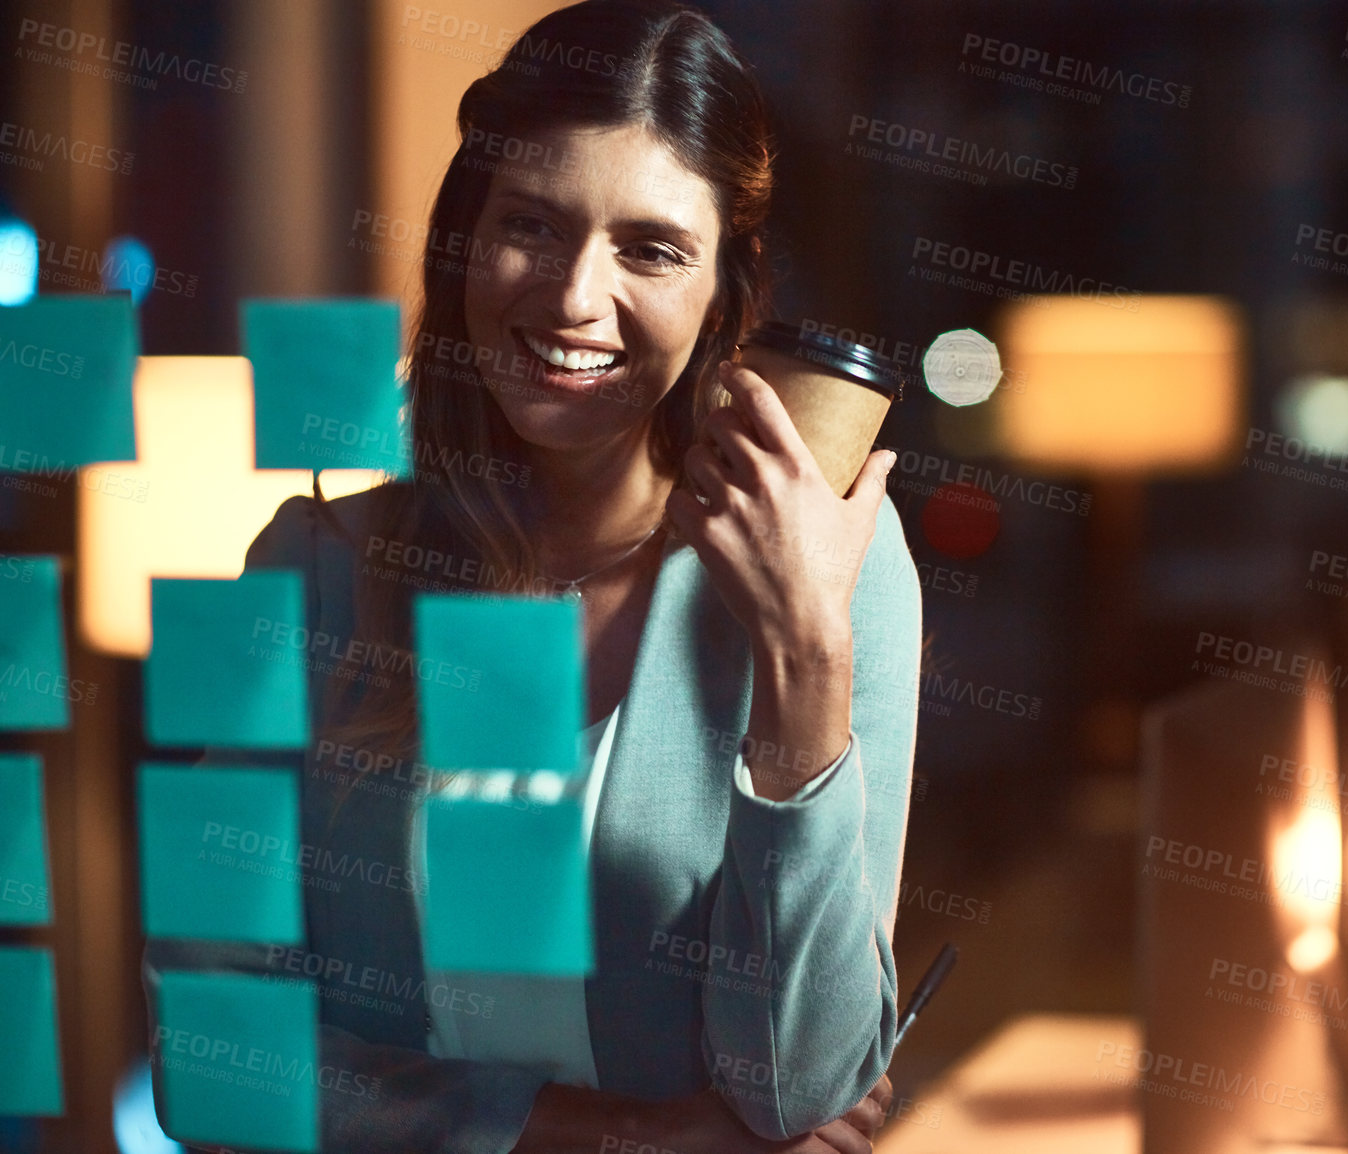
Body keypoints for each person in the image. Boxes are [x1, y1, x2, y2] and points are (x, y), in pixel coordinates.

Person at [140, 2, 923, 1151]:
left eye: (651, 249)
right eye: (533, 226)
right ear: (464, 242)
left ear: (723, 291)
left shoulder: (840, 565)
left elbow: (800, 1081)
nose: (570, 299)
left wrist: (803, 648)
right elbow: (207, 1054)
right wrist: (630, 1136)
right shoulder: (308, 566)